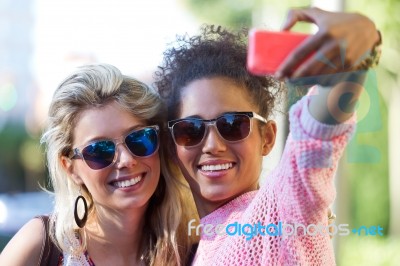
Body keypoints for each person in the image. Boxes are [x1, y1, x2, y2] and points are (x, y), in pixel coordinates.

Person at [155, 7, 381, 265]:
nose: (212, 145)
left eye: (232, 124)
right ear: (173, 147)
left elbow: (313, 144)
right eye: (190, 130)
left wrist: (358, 37)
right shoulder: (193, 246)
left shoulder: (281, 212)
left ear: (268, 138)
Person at [0, 64, 195, 265]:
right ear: (70, 167)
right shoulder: (42, 245)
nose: (126, 160)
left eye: (139, 138)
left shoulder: (193, 250)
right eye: (100, 151)